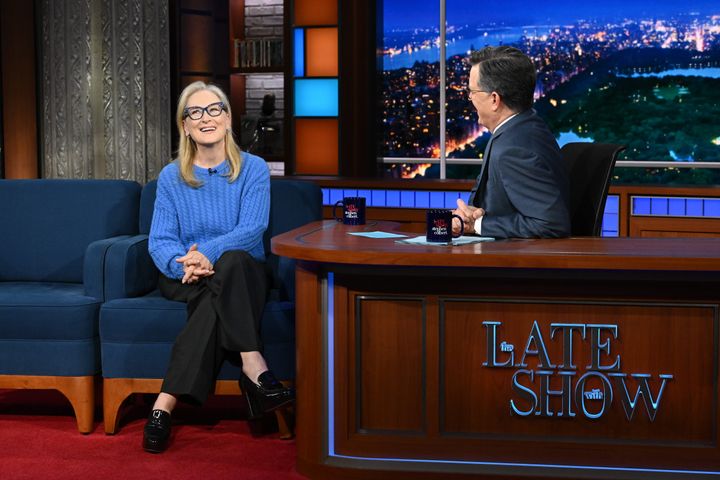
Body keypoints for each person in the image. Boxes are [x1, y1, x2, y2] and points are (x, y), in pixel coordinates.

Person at [142, 81, 293, 453]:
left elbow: (252, 228)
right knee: (216, 290)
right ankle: (255, 369)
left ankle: (164, 404)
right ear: (185, 126)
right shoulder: (171, 177)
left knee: (232, 263)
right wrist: (182, 264)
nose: (205, 118)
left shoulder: (253, 169)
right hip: (186, 275)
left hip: (242, 271)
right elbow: (160, 240)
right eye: (195, 112)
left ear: (227, 119)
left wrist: (207, 252)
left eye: (214, 109)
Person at [452, 46, 570, 238]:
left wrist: (477, 225)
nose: (470, 98)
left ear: (494, 99)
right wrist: (472, 216)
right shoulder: (521, 128)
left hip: (514, 255)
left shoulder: (514, 149)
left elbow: (550, 224)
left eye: (472, 91)